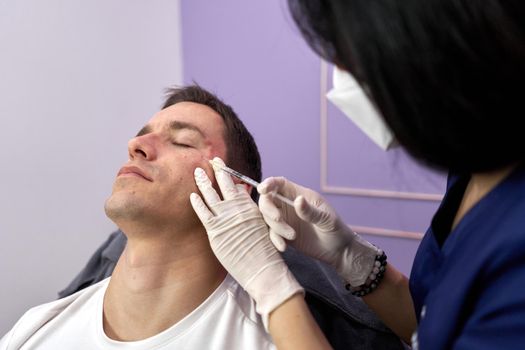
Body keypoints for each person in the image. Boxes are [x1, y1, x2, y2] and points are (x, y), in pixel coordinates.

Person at [188, 1, 525, 349]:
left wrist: (273, 289)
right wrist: (352, 258)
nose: (138, 145)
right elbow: (434, 322)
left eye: (183, 141)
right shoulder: (476, 169)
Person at [0, 85, 281, 349]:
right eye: (142, 134)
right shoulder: (33, 332)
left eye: (182, 142)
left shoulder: (274, 338)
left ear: (234, 193)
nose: (135, 144)